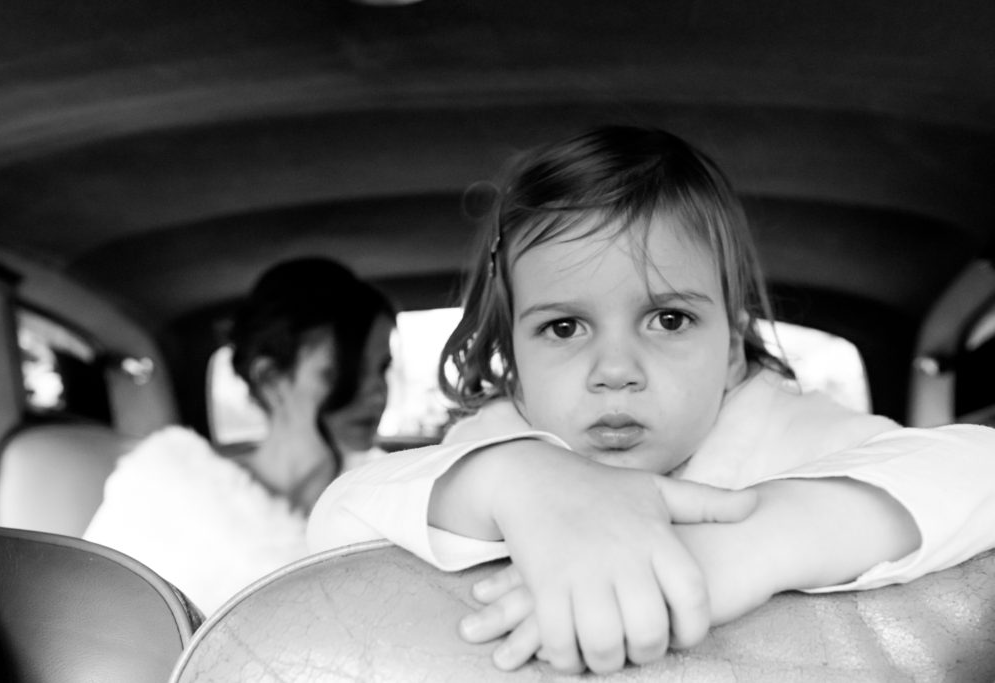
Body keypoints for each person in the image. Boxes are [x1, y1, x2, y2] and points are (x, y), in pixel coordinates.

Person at [305, 126, 995, 675]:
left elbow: (980, 469)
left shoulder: (776, 428)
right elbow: (333, 527)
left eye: (668, 319)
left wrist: (755, 543)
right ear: (514, 362)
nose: (615, 370)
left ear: (731, 351)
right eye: (564, 327)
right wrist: (512, 479)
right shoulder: (501, 445)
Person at [85, 256, 395, 616]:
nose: (376, 391)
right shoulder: (164, 493)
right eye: (344, 372)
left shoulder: (389, 506)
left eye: (383, 369)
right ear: (269, 378)